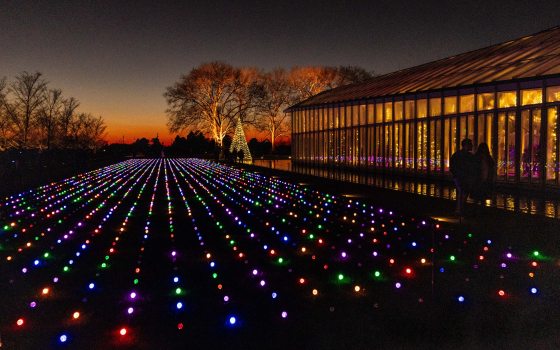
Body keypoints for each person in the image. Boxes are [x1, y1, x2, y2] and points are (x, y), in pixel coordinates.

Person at [450, 138, 477, 215]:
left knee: (461, 192)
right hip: (464, 177)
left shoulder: (456, 155)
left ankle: (459, 209)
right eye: (470, 145)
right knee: (463, 193)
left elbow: (452, 166)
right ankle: (460, 209)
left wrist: (455, 175)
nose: (472, 146)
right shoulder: (469, 156)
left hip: (459, 177)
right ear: (466, 145)